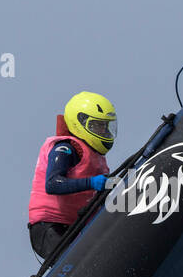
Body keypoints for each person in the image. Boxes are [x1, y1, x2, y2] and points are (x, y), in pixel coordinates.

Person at [27, 91, 117, 260]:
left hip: (76, 226)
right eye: (98, 125)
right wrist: (92, 182)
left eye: (106, 126)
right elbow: (53, 184)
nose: (104, 131)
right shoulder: (65, 148)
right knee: (84, 261)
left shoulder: (97, 158)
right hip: (49, 228)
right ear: (81, 123)